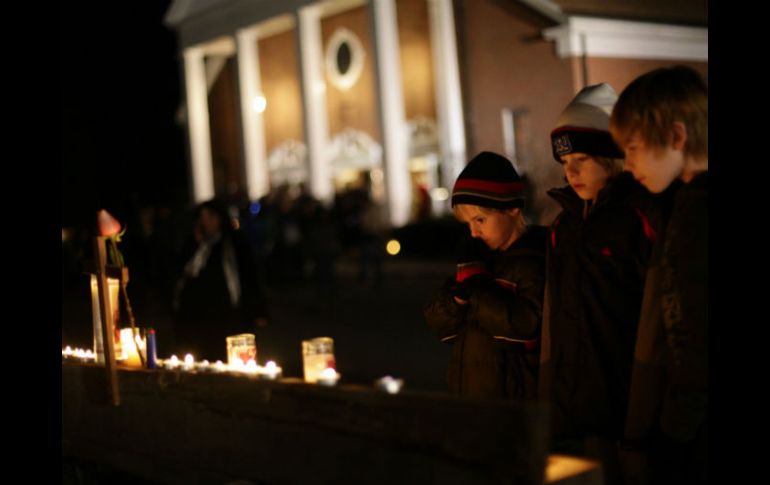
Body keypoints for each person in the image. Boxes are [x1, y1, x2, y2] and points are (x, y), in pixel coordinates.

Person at [538, 83, 659, 484]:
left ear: (612, 157)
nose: (570, 171)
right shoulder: (563, 227)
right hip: (580, 404)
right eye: (565, 161)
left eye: (582, 159)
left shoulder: (639, 219)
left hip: (632, 400)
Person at [609, 66, 708, 485]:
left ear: (676, 136)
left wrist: (673, 433)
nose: (627, 167)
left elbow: (698, 338)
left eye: (632, 149)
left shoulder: (698, 213)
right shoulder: (685, 203)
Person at [424, 151, 546, 400]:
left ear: (512, 209)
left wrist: (478, 289)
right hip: (471, 397)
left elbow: (525, 329)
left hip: (514, 403)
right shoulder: (482, 260)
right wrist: (457, 298)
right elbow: (442, 328)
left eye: (480, 219)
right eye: (468, 224)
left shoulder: (533, 261)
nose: (474, 232)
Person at [173, 199, 269, 361]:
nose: (206, 222)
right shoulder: (195, 245)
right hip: (200, 317)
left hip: (227, 313)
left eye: (210, 217)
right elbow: (181, 274)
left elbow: (249, 276)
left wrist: (258, 310)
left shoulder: (233, 242)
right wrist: (195, 244)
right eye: (202, 218)